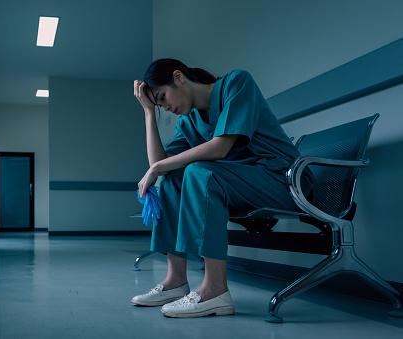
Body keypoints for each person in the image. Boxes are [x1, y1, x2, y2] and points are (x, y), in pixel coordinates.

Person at [130, 59, 312, 318]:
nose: (166, 107)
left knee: (199, 172)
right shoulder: (189, 121)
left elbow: (220, 147)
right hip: (241, 188)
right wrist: (149, 113)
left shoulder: (236, 83)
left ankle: (215, 289)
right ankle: (175, 280)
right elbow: (161, 164)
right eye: (159, 104)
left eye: (162, 97)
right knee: (172, 179)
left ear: (179, 77)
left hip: (284, 181)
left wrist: (157, 168)